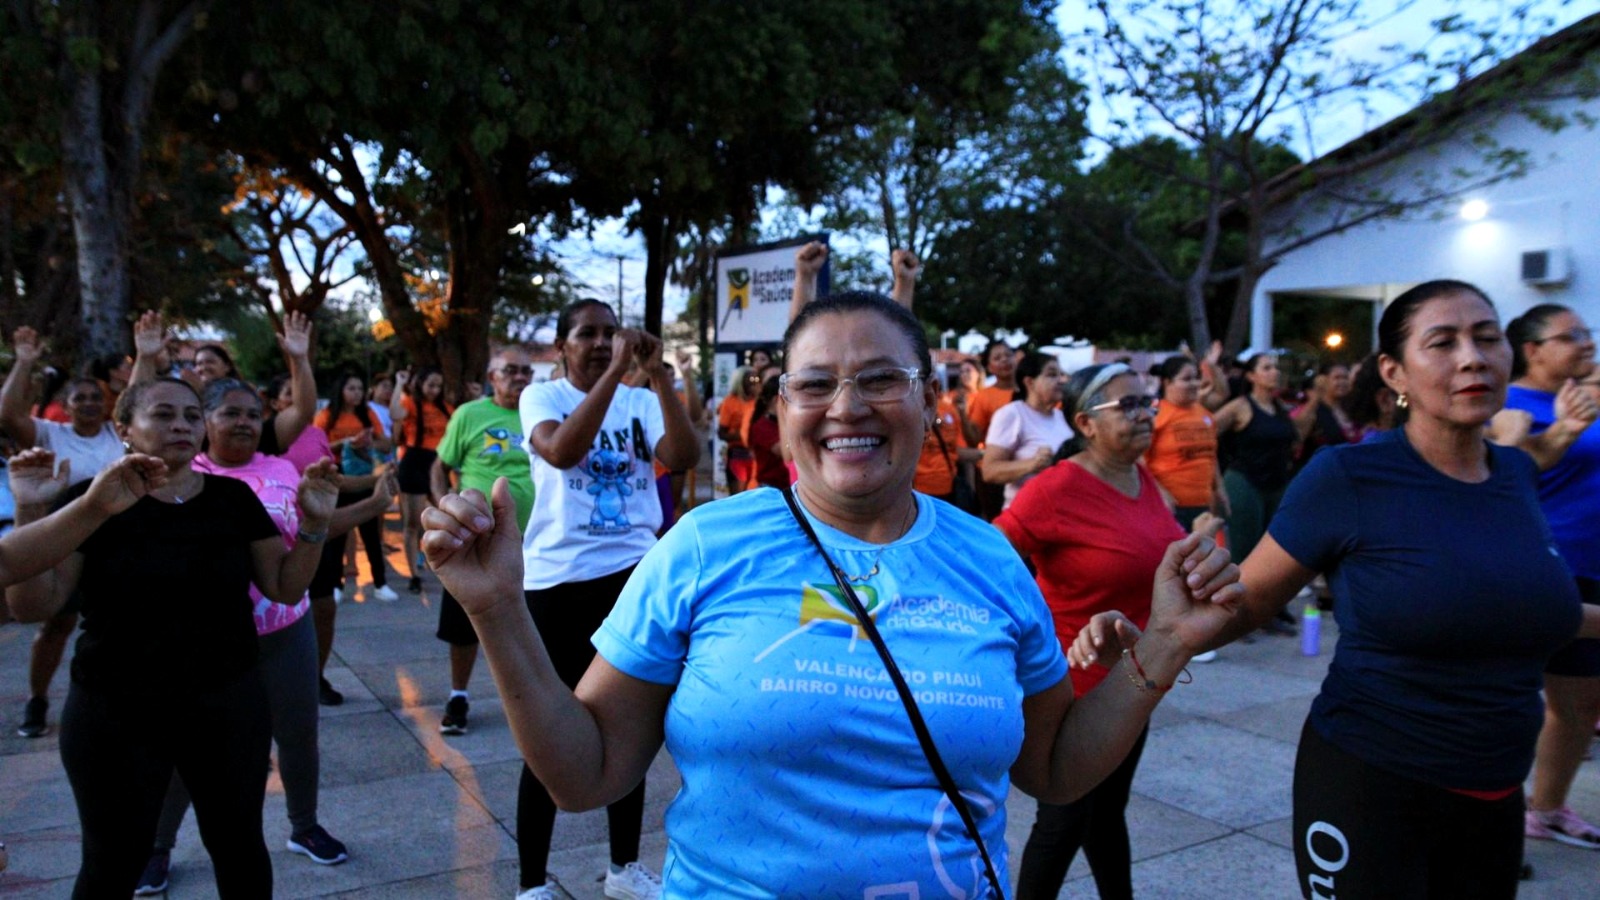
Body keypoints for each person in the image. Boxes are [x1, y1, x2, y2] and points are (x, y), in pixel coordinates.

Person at [421, 290, 1243, 898]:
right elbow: (586, 773)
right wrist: (498, 608)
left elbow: (1057, 769)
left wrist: (1165, 644)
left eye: (882, 380)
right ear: (782, 412)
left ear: (928, 400)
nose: (847, 408)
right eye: (814, 385)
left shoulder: (988, 561)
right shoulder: (705, 547)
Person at [1083, 281, 1600, 897]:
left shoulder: (1514, 473)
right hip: (1373, 781)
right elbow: (1248, 599)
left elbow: (1524, 608)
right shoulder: (1349, 477)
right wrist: (1156, 637)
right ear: (1394, 372)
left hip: (1494, 790)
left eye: (1487, 338)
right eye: (1442, 342)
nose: (1472, 357)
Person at [5, 378, 338, 898]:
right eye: (163, 415)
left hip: (226, 702)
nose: (181, 425)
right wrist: (28, 509)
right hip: (115, 710)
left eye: (190, 416)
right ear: (125, 431)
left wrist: (315, 525)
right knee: (113, 860)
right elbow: (33, 606)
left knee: (239, 846)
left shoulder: (233, 499)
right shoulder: (92, 502)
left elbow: (284, 584)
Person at [135, 379, 397, 892]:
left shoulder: (281, 470)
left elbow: (312, 529)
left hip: (285, 627)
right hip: (209, 642)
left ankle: (304, 826)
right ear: (204, 421)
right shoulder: (188, 476)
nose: (244, 423)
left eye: (253, 415)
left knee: (299, 734)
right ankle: (156, 848)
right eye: (230, 413)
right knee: (187, 753)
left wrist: (372, 504)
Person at [496, 299, 697, 900]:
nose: (603, 342)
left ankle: (622, 868)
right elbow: (561, 452)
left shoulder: (641, 401)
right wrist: (615, 373)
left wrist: (658, 377)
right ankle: (532, 881)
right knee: (547, 731)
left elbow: (682, 456)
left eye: (612, 333)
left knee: (629, 727)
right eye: (588, 333)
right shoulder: (543, 397)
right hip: (560, 582)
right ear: (561, 346)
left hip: (633, 577)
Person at [997, 363, 1192, 900]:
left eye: (1145, 401)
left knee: (1107, 814)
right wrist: (1021, 644)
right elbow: (991, 564)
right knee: (1062, 824)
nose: (1145, 413)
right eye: (1126, 405)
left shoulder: (1141, 477)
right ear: (1085, 422)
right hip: (1071, 692)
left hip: (1131, 683)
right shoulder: (1055, 488)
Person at [1502, 304, 1600, 850]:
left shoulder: (1588, 396)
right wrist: (1563, 429)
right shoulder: (1508, 405)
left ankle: (1548, 808)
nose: (1586, 343)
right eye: (1572, 336)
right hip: (1541, 567)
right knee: (1514, 698)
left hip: (1592, 564)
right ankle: (1492, 811)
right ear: (1533, 349)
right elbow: (1503, 474)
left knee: (1581, 703)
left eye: (1588, 334)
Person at [0, 327, 128, 740]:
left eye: (96, 397)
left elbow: (141, 393)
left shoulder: (117, 434)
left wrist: (143, 355)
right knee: (56, 625)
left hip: (116, 546)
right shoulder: (49, 434)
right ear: (65, 404)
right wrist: (24, 361)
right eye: (80, 397)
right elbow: (6, 415)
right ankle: (37, 700)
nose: (90, 403)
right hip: (64, 543)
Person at [430, 348, 536, 736]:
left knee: (529, 627)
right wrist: (445, 512)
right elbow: (439, 467)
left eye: (527, 371)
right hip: (476, 543)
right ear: (493, 376)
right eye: (511, 370)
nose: (520, 378)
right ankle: (458, 694)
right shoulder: (470, 415)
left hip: (538, 543)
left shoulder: (543, 414)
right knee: (462, 627)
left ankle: (532, 701)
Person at [1212, 352, 1300, 633]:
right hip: (1244, 482)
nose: (1274, 372)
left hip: (1276, 484)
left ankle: (1271, 609)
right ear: (1251, 376)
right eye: (1267, 368)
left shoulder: (1280, 407)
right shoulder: (1240, 406)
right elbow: (1204, 433)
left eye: (1275, 368)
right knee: (1244, 551)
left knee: (1278, 551)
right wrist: (1214, 473)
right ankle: (1235, 617)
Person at [314, 372, 397, 603]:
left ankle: (380, 583)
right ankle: (335, 584)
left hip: (363, 476)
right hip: (336, 477)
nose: (357, 393)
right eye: (351, 388)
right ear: (340, 390)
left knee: (371, 532)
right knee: (337, 533)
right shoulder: (326, 415)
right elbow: (317, 448)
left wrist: (370, 442)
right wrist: (343, 443)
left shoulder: (368, 414)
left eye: (360, 388)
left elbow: (386, 443)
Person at [1146, 355, 1229, 531]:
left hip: (1202, 505)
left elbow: (1209, 455)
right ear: (1167, 383)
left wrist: (1219, 488)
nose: (1194, 384)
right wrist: (1159, 492)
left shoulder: (1204, 414)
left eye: (1196, 378)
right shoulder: (1155, 414)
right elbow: (1138, 461)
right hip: (1170, 506)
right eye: (1186, 379)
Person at [390, 367, 454, 593]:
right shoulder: (410, 403)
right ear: (421, 384)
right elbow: (395, 414)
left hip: (437, 464)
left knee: (443, 517)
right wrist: (400, 383)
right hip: (414, 461)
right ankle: (414, 575)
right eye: (431, 385)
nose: (434, 390)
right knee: (412, 523)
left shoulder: (445, 408)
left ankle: (435, 561)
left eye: (438, 386)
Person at [982, 352, 1072, 510]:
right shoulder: (1012, 414)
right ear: (1030, 382)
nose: (1060, 381)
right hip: (1025, 516)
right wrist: (1032, 464)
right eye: (1051, 375)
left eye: (1061, 374)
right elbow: (989, 471)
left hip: (1062, 513)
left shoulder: (1062, 417)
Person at [717, 366, 759, 494]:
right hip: (737, 455)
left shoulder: (759, 401)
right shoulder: (730, 402)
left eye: (756, 378)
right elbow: (721, 433)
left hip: (757, 455)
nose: (754, 381)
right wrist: (744, 434)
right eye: (751, 378)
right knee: (739, 498)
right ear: (741, 381)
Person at [745, 375, 790, 490]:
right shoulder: (762, 426)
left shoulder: (779, 423)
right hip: (771, 488)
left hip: (786, 485)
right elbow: (786, 452)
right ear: (777, 400)